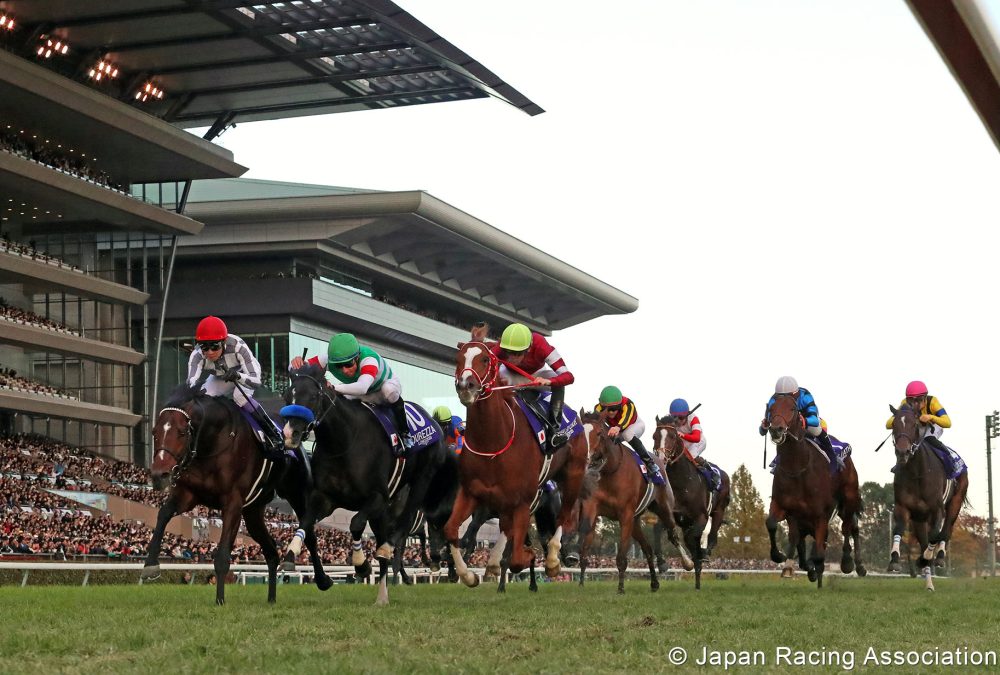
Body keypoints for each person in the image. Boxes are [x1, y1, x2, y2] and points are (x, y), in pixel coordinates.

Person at [289, 333, 413, 451]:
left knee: (389, 391)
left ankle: (405, 433)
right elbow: (296, 369)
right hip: (360, 392)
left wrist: (333, 388)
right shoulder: (327, 358)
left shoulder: (369, 360)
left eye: (348, 364)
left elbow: (362, 387)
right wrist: (296, 363)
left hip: (381, 389)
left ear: (357, 357)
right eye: (338, 366)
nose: (344, 370)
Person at [186, 316, 284, 456]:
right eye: (204, 347)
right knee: (203, 400)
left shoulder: (238, 346)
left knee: (239, 397)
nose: (210, 352)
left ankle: (272, 433)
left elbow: (256, 381)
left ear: (224, 342)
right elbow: (191, 383)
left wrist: (238, 376)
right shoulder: (196, 355)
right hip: (220, 376)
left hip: (245, 374)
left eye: (214, 346)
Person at [489, 323, 575, 450]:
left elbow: (569, 376)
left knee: (559, 385)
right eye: (508, 352)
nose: (511, 357)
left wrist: (548, 381)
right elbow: (485, 362)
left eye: (517, 353)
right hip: (510, 374)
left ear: (528, 348)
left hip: (537, 375)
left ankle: (554, 432)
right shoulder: (501, 346)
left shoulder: (541, 344)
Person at [758, 375, 842, 472]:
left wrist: (805, 421)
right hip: (789, 426)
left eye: (789, 396)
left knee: (817, 430)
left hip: (806, 422)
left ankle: (832, 456)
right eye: (780, 397)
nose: (785, 400)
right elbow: (766, 424)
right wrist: (764, 427)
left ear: (796, 393)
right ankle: (779, 462)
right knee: (780, 436)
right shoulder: (773, 399)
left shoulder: (805, 395)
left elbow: (814, 419)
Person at [885, 380, 965, 477]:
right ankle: (901, 462)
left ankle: (951, 458)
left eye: (918, 400)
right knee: (906, 439)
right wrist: (899, 418)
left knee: (928, 438)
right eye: (911, 400)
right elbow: (888, 424)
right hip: (917, 427)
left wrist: (931, 417)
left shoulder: (933, 402)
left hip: (934, 426)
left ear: (925, 398)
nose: (915, 404)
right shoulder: (904, 403)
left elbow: (948, 423)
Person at [594, 385, 662, 481]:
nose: (610, 412)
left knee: (627, 434)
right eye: (607, 409)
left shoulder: (628, 405)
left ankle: (650, 463)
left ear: (620, 405)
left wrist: (618, 427)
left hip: (634, 425)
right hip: (617, 429)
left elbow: (626, 420)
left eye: (614, 408)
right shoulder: (597, 409)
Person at [666, 398, 718, 489]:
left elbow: (697, 438)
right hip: (683, 443)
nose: (678, 421)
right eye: (675, 417)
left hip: (697, 442)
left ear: (687, 415)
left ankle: (710, 471)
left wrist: (682, 435)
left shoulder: (693, 419)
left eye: (681, 418)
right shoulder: (669, 420)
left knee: (689, 459)